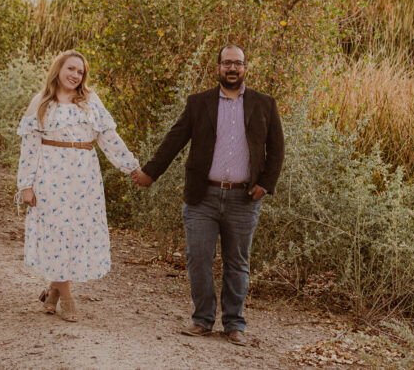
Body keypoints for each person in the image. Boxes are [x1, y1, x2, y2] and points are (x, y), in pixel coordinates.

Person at [131, 44, 284, 346]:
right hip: (202, 197)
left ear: (245, 68)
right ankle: (202, 319)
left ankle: (234, 324)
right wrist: (150, 173)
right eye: (227, 63)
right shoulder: (199, 103)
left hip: (244, 199)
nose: (232, 69)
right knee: (198, 258)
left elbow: (277, 149)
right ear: (217, 68)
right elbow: (174, 140)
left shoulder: (264, 104)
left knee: (237, 262)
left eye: (238, 63)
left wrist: (265, 184)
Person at [16, 50, 144, 322]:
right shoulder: (40, 102)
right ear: (58, 69)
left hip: (84, 178)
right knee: (57, 232)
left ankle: (53, 291)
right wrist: (26, 185)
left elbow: (109, 138)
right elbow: (29, 147)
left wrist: (131, 166)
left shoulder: (90, 102)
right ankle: (67, 297)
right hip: (50, 177)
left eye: (80, 72)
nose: (75, 75)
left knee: (73, 234)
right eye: (71, 69)